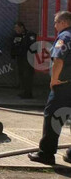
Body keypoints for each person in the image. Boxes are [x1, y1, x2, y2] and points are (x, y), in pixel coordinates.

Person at [28, 11, 71, 165]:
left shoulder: (65, 37)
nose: (54, 26)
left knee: (53, 117)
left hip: (64, 86)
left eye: (55, 22)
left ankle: (46, 153)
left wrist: (54, 80)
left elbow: (59, 59)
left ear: (64, 22)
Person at [11, 22, 37, 99]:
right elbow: (14, 45)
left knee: (27, 76)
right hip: (20, 58)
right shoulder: (17, 36)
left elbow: (33, 46)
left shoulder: (30, 34)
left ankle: (28, 93)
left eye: (17, 28)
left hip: (28, 59)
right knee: (21, 75)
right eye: (15, 28)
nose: (16, 29)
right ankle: (24, 92)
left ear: (22, 27)